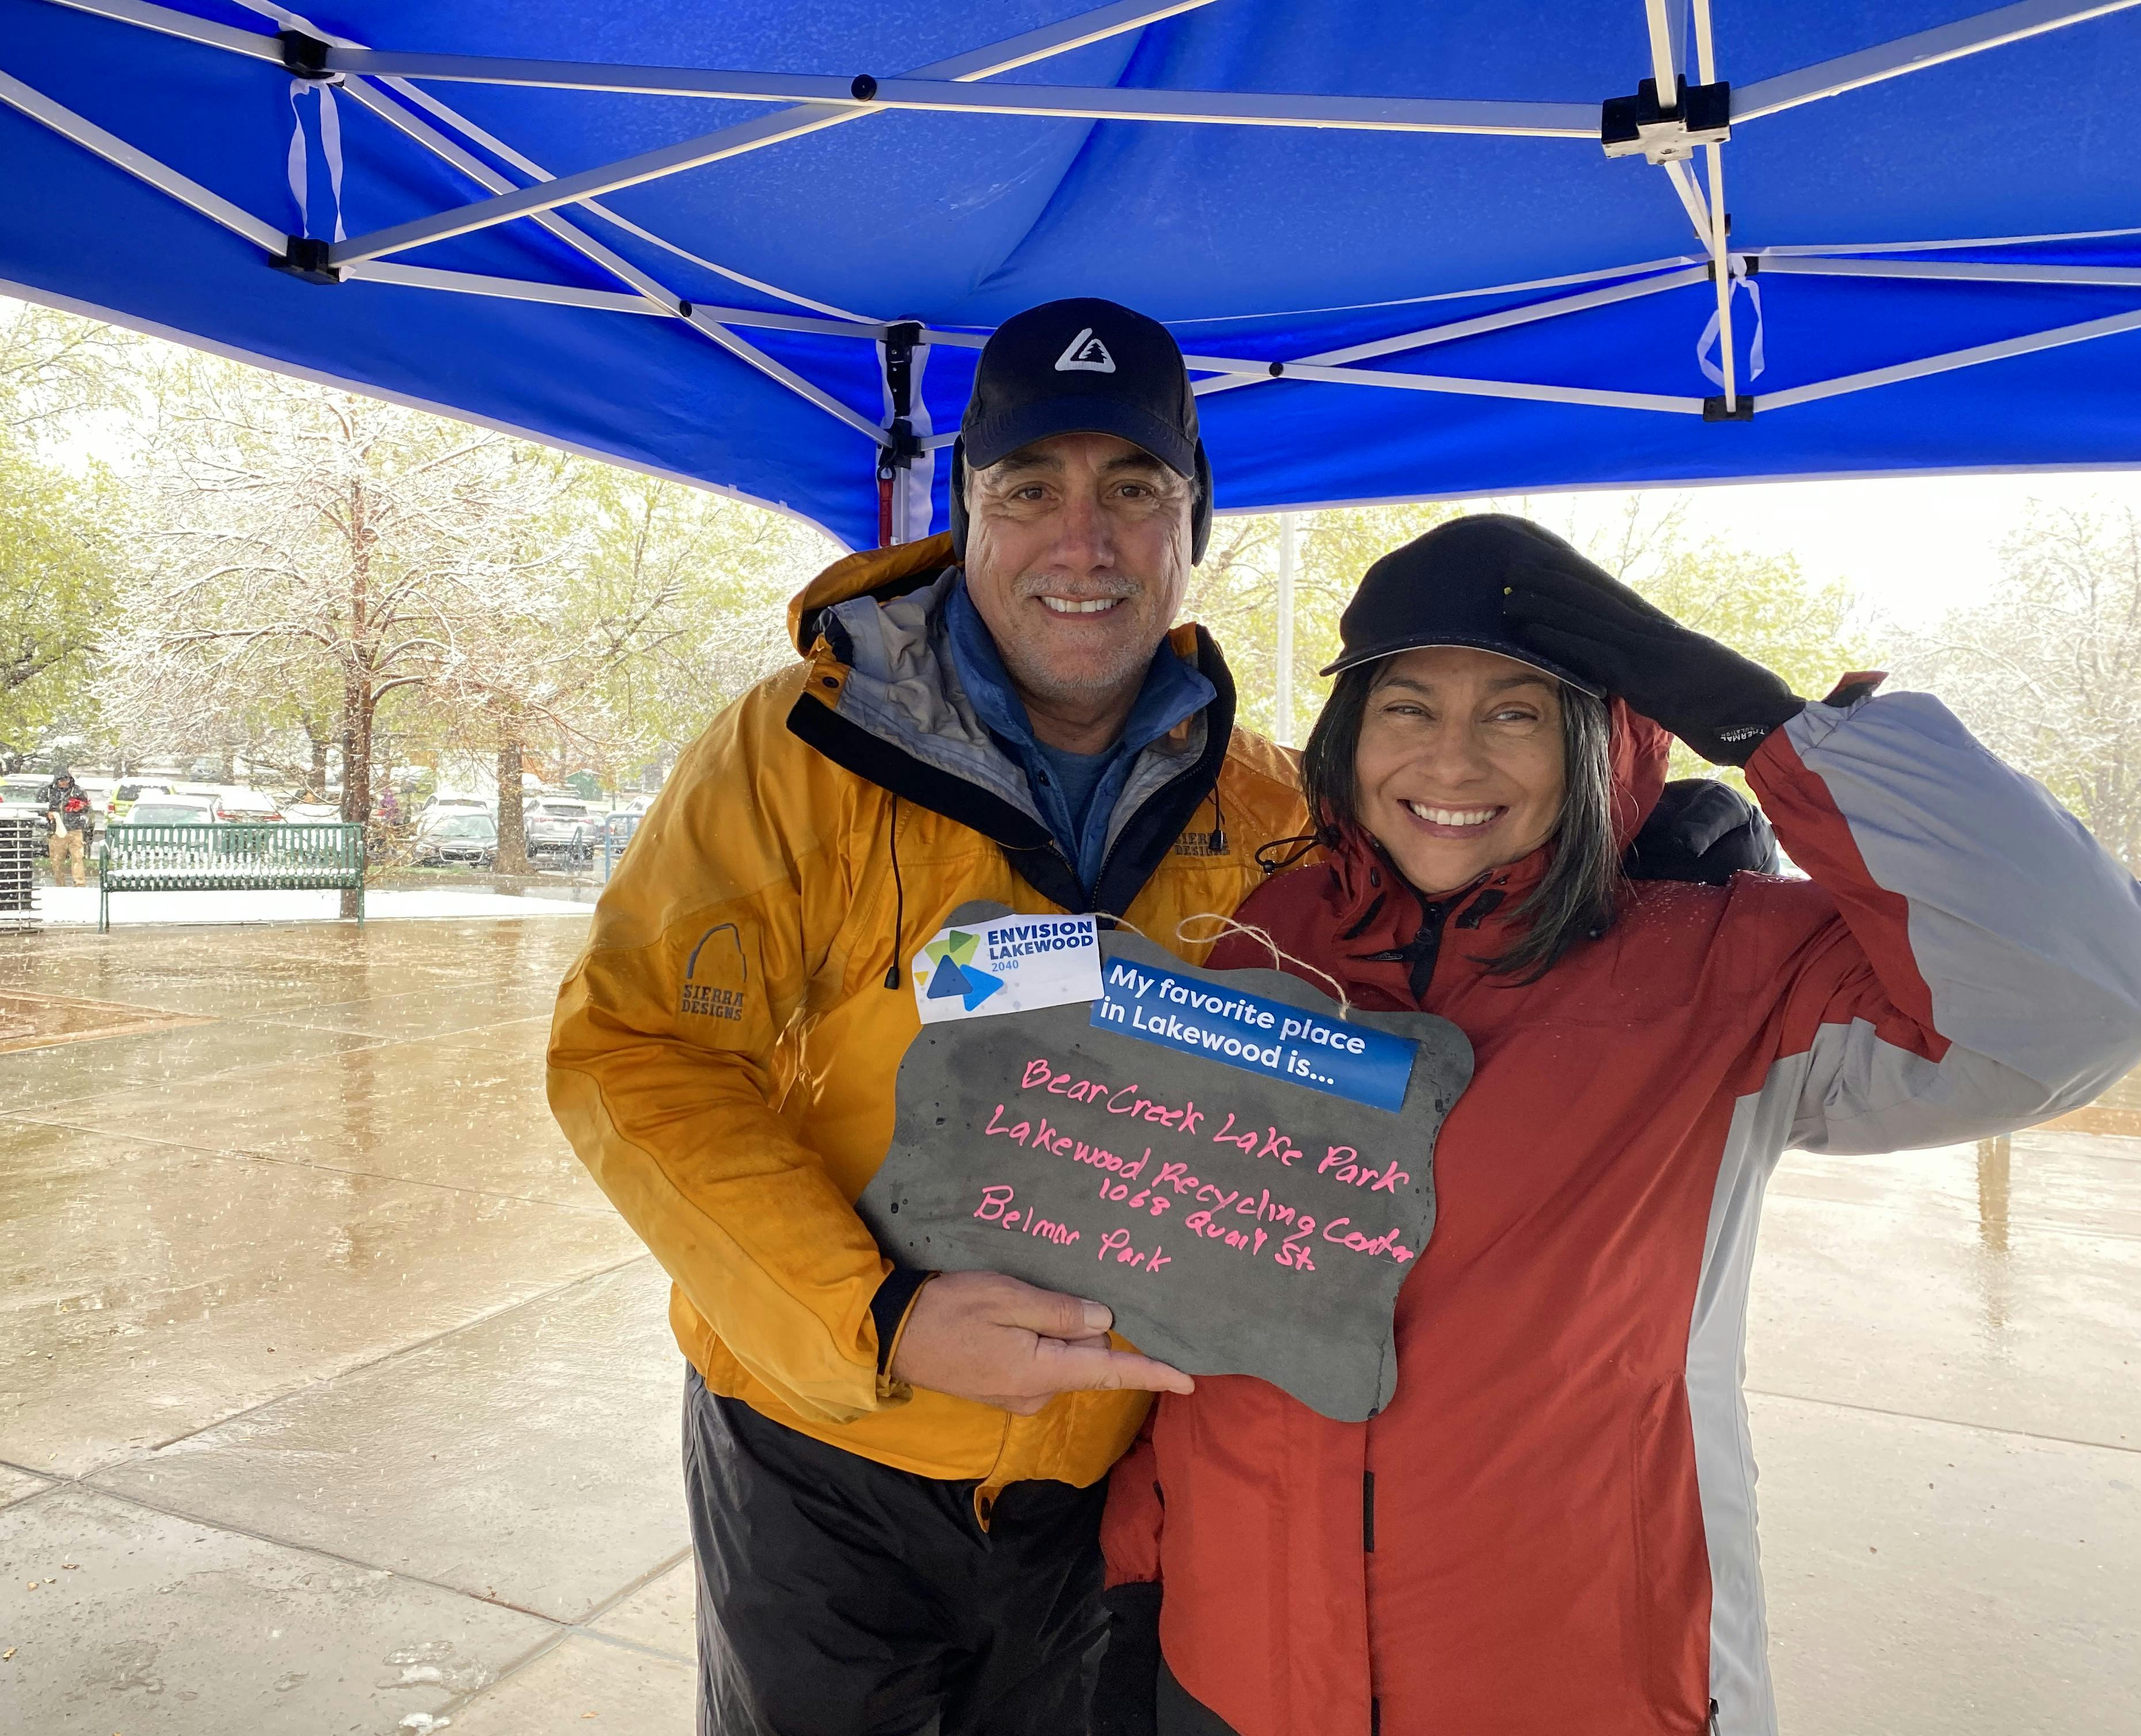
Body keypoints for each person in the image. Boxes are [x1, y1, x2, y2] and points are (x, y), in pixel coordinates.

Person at [1094, 514, 2141, 1736]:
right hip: (1235, 1672)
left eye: (1516, 713)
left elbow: (2082, 1004)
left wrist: (1779, 733)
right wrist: (1140, 1565)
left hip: (1573, 1681)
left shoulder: (1726, 964)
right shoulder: (1275, 928)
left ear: (1600, 739)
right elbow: (1202, 1261)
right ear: (1350, 734)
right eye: (1409, 707)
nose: (1451, 759)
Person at [547, 299, 1311, 1735]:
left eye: (1132, 490)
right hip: (824, 1451)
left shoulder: (1274, 809)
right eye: (1031, 491)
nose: (1081, 544)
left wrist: (1626, 842)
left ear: (1194, 519)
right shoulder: (794, 752)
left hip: (1123, 1473)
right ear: (966, 511)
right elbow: (636, 1052)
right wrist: (884, 1318)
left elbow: (1427, 993)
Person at [42, 768, 94, 886]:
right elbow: (39, 807)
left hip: (75, 829)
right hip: (56, 830)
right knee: (56, 860)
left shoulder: (78, 791)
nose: (63, 782)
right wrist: (47, 814)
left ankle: (79, 883)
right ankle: (60, 883)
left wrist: (79, 807)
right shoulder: (48, 791)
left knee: (78, 857)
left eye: (66, 779)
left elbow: (87, 808)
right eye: (60, 780)